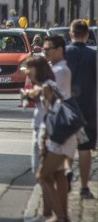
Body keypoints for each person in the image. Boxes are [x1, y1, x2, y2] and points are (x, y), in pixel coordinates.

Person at [23, 55, 77, 222]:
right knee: (57, 175)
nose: (26, 72)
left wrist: (44, 141)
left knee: (43, 175)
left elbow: (49, 116)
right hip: (63, 137)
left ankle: (58, 216)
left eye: (29, 68)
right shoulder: (49, 85)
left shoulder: (47, 87)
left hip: (53, 137)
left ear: (37, 70)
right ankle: (54, 215)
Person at [65, 19, 96, 199]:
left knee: (67, 146)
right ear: (87, 35)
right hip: (88, 108)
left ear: (71, 35)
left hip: (68, 108)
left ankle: (67, 181)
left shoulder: (64, 54)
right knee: (85, 148)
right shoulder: (93, 56)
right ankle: (84, 187)